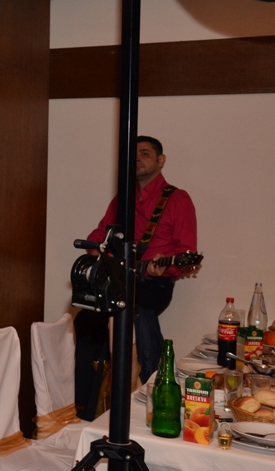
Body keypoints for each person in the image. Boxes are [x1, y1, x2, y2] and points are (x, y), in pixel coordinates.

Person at [84, 135, 198, 386]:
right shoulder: (122, 199)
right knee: (86, 319)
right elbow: (99, 235)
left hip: (154, 284)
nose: (137, 159)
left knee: (136, 308)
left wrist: (166, 266)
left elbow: (186, 252)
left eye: (145, 154)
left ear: (161, 160)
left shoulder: (177, 199)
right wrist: (99, 255)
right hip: (120, 280)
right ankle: (89, 395)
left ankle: (150, 380)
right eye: (133, 155)